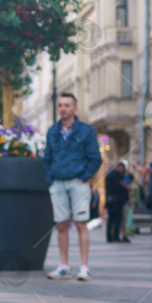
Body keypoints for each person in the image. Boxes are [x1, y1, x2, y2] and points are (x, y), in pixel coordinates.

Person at [43, 92, 101, 282]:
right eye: (60, 105)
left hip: (78, 183)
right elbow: (47, 158)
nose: (63, 108)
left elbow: (95, 158)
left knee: (81, 224)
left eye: (67, 105)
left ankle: (84, 267)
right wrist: (50, 180)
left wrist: (83, 178)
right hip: (57, 183)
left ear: (75, 108)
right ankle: (64, 266)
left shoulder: (86, 131)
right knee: (61, 225)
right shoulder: (53, 131)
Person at [104, 161, 128, 243]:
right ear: (119, 167)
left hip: (111, 200)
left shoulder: (109, 174)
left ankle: (110, 236)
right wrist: (125, 187)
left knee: (111, 219)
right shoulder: (116, 175)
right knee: (117, 219)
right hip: (116, 200)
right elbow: (119, 186)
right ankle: (116, 236)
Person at [121, 161, 138, 243]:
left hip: (128, 201)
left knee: (127, 218)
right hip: (129, 201)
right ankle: (126, 233)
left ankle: (127, 233)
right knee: (127, 218)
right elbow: (129, 191)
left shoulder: (125, 177)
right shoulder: (127, 179)